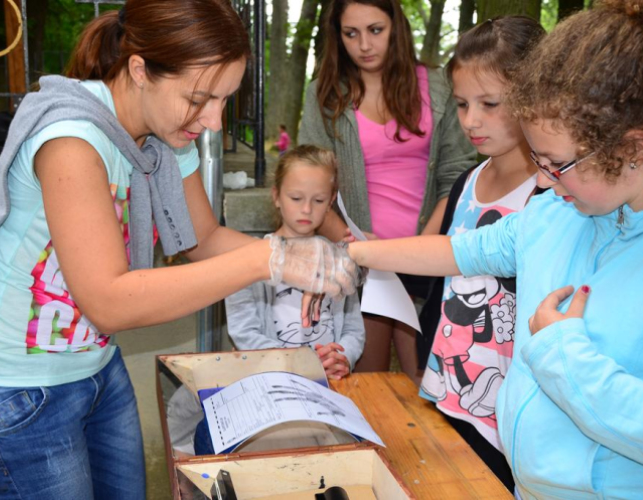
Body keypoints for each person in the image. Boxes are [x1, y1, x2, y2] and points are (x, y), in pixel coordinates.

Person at [0, 1, 362, 498]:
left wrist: (305, 256)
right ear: (140, 70)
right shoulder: (72, 140)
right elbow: (108, 301)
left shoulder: (167, 133)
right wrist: (266, 258)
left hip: (95, 368)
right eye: (199, 98)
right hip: (15, 391)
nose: (212, 121)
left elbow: (203, 240)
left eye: (225, 99)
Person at [344, 0, 643, 495]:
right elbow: (456, 252)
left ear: (633, 147)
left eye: (558, 164)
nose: (546, 181)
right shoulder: (555, 213)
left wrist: (559, 351)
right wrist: (350, 256)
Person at [299, 0, 476, 379]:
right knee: (368, 382)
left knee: (428, 382)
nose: (364, 44)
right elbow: (309, 181)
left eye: (375, 30)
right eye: (351, 33)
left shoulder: (440, 87)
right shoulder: (323, 95)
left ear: (396, 27)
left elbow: (456, 175)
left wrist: (417, 251)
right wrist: (360, 247)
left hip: (429, 256)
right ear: (337, 36)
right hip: (361, 261)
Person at [413, 17, 545, 492]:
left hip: (508, 423)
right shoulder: (465, 184)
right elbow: (428, 276)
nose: (471, 120)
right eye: (463, 104)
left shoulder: (553, 197)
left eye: (490, 104)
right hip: (446, 395)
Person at [225, 145, 365, 380]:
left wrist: (342, 358)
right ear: (276, 196)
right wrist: (301, 363)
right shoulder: (250, 259)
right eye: (296, 198)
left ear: (331, 201)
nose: (307, 209)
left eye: (319, 200)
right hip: (272, 381)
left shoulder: (338, 260)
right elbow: (244, 333)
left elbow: (353, 329)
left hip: (330, 382)